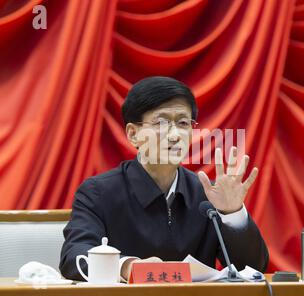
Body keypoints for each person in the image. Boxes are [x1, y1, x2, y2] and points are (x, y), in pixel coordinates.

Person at [59, 76, 269, 281]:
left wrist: (233, 214)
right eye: (161, 123)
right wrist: (127, 266)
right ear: (133, 134)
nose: (175, 135)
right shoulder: (98, 192)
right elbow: (74, 257)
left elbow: (252, 269)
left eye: (183, 123)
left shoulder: (207, 195)